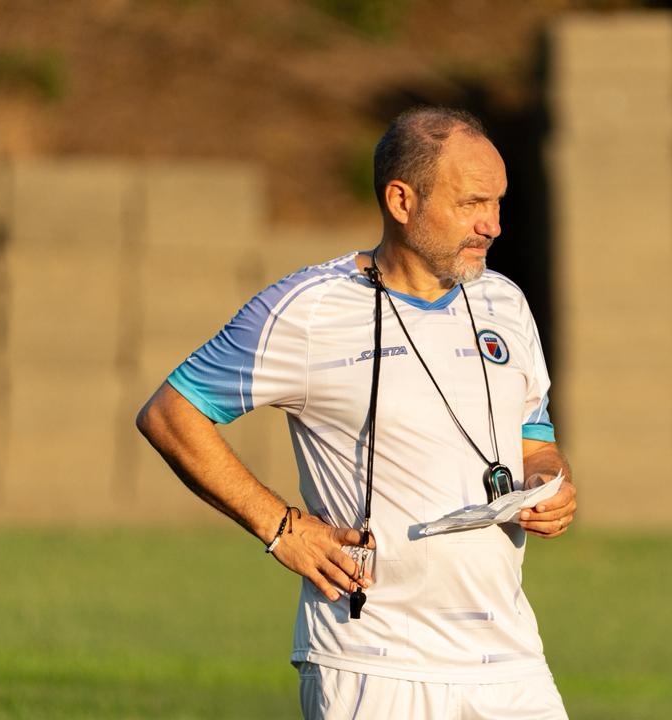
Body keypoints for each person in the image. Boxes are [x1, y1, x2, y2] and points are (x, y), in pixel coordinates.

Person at [136, 106, 577, 719]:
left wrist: (548, 482)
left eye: (498, 203)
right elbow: (170, 413)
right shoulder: (307, 310)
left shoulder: (506, 302)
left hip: (508, 660)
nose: (494, 225)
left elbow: (533, 435)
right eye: (473, 204)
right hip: (372, 663)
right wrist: (280, 527)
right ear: (402, 201)